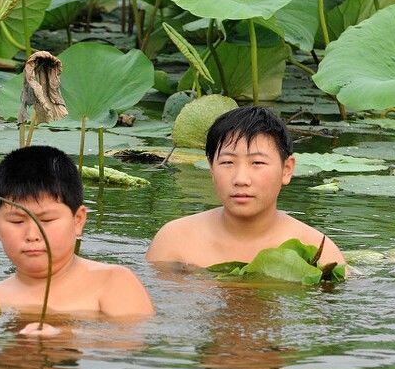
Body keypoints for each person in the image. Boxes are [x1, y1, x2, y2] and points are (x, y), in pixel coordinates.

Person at [0, 145, 154, 329]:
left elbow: (131, 344)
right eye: (17, 221)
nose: (32, 235)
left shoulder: (113, 282)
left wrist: (62, 337)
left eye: (47, 220)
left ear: (78, 220)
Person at [146, 106, 346, 268]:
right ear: (211, 169)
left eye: (257, 163)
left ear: (287, 169)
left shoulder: (317, 252)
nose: (241, 179)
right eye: (227, 163)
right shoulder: (175, 241)